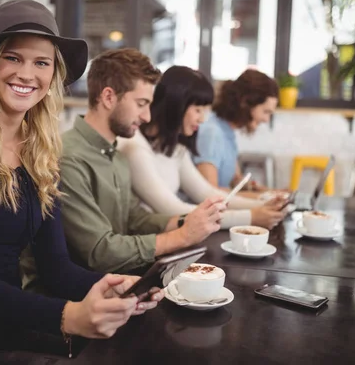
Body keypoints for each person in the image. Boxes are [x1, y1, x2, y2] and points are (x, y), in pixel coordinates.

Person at [0, 0, 162, 365]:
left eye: (42, 62)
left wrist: (121, 286)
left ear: (52, 75)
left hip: (11, 321)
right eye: (13, 58)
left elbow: (56, 267)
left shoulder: (40, 152)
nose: (27, 74)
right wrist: (67, 316)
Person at [21, 48, 225, 281]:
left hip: (113, 282)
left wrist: (184, 221)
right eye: (141, 103)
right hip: (79, 293)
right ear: (108, 97)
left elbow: (134, 219)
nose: (148, 116)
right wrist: (183, 236)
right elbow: (99, 252)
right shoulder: (69, 159)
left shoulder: (116, 154)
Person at [117, 66, 286, 230]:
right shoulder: (136, 148)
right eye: (198, 110)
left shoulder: (175, 148)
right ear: (177, 106)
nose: (203, 119)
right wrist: (251, 216)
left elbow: (205, 193)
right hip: (150, 246)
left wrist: (263, 205)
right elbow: (172, 209)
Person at [194, 69, 282, 196]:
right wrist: (263, 197)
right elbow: (209, 193)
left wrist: (270, 192)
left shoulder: (227, 131)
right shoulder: (212, 133)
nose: (266, 119)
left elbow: (235, 179)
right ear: (245, 103)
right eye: (265, 112)